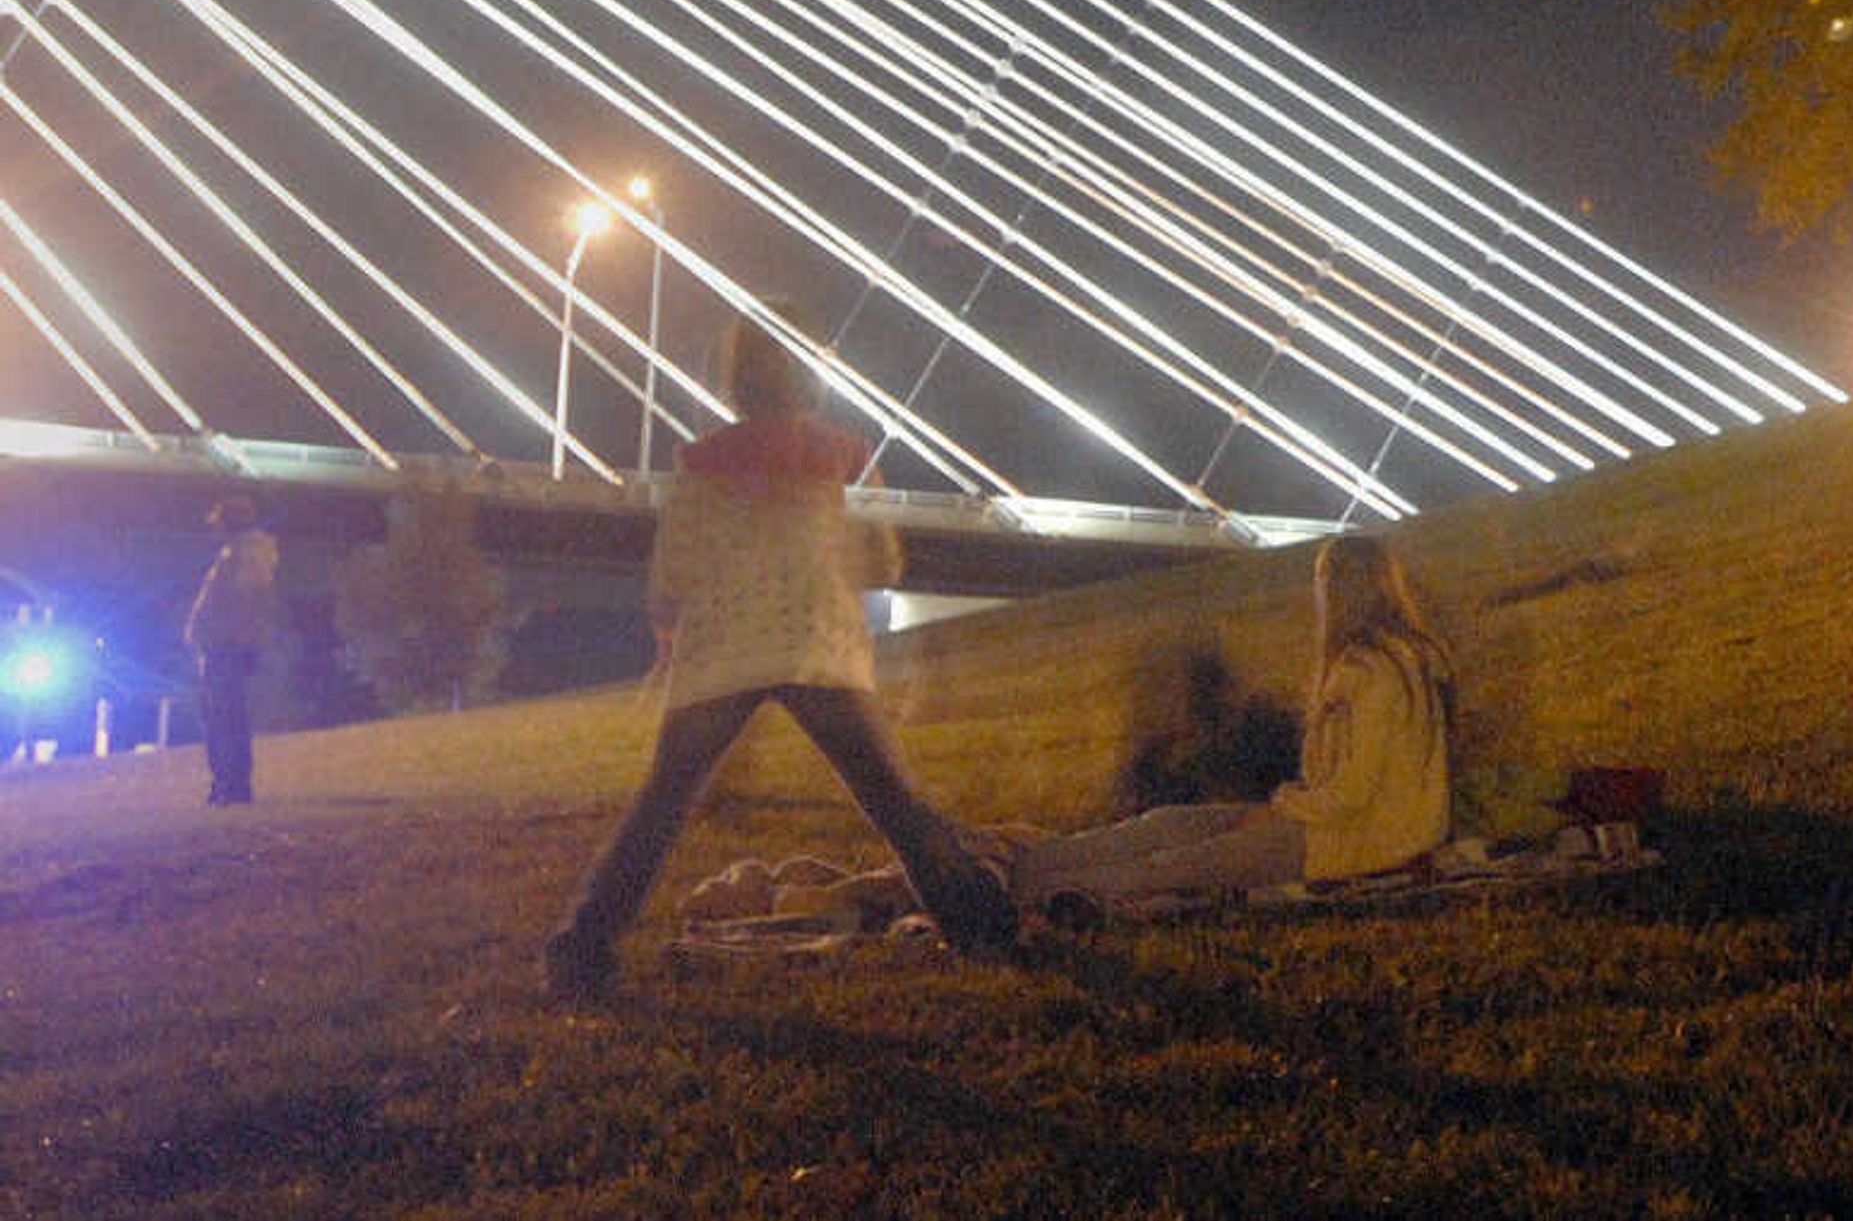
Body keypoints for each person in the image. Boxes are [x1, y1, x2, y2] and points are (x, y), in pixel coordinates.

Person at [543, 318, 1017, 997]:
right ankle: (981, 925)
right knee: (891, 798)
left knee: (662, 804)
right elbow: (884, 559)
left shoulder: (701, 461)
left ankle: (580, 951)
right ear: (808, 377)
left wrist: (670, 624)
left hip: (721, 653)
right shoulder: (847, 455)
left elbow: (673, 571)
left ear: (735, 383)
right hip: (818, 648)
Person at [1013, 532, 1455, 915]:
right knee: (1169, 825)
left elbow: (1352, 793)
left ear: (1335, 590)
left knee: (1175, 862)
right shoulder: (1407, 662)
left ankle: (1028, 883)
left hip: (1356, 843)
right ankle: (1028, 862)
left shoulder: (1369, 675)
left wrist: (1278, 808)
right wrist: (1281, 809)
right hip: (1339, 827)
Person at [183, 497, 278, 807]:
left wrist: (236, 638)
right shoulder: (243, 553)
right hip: (224, 644)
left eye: (220, 522)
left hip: (226, 647)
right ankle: (228, 783)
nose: (216, 529)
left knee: (224, 717)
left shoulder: (245, 555)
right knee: (224, 716)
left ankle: (231, 784)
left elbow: (245, 601)